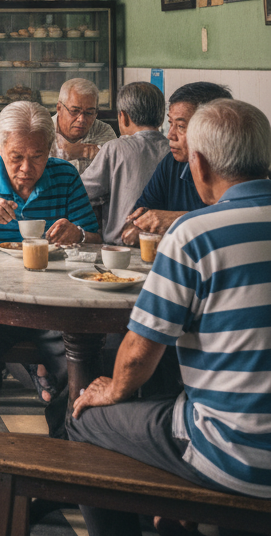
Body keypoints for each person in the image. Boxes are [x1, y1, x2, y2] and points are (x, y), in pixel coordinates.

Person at [69, 99, 271, 536]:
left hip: (238, 456)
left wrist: (112, 388)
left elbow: (140, 353)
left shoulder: (195, 233)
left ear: (198, 164)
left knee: (85, 418)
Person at [0, 101, 100, 530]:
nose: (27, 168)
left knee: (83, 357)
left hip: (51, 299)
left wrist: (78, 233)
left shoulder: (65, 176)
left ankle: (60, 471)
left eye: (37, 156)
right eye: (16, 157)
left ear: (51, 149)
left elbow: (95, 239)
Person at [122, 81, 232, 245]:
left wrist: (176, 220)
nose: (170, 135)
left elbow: (234, 221)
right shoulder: (172, 164)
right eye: (170, 123)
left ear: (213, 127)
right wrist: (140, 225)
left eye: (181, 126)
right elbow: (135, 222)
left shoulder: (236, 169)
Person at [81, 81, 169, 245]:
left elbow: (81, 192)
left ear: (124, 117)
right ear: (162, 117)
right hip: (163, 246)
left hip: (121, 247)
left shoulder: (115, 148)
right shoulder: (173, 150)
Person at [51, 78, 116, 174]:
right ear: (59, 108)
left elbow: (115, 167)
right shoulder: (41, 131)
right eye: (74, 111)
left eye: (89, 113)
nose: (81, 119)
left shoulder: (103, 131)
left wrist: (79, 151)